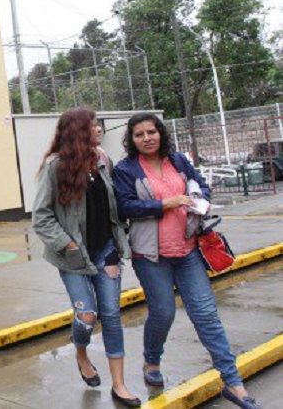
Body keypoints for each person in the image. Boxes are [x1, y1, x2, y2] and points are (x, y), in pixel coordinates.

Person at [113, 113, 261, 409]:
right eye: (139, 134)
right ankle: (151, 361)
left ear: (160, 133)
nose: (146, 138)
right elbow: (123, 205)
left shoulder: (178, 160)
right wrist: (162, 204)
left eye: (151, 132)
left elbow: (201, 187)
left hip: (189, 250)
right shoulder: (125, 169)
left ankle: (233, 383)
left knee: (206, 316)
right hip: (151, 255)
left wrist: (197, 196)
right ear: (132, 139)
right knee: (163, 313)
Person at [32, 107, 141, 407]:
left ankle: (119, 384)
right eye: (94, 126)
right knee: (87, 317)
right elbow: (41, 216)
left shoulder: (103, 160)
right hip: (73, 258)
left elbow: (114, 206)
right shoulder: (55, 167)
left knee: (111, 315)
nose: (99, 130)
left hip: (106, 252)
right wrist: (66, 244)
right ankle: (81, 353)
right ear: (78, 131)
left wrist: (121, 241)